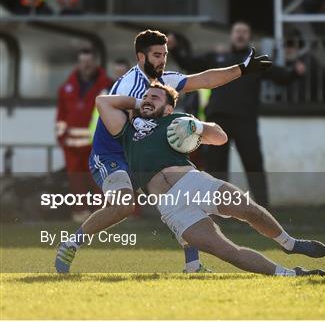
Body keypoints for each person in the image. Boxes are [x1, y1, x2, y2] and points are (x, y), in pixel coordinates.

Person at [55, 29, 271, 274]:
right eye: (157, 55)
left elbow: (205, 79)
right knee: (124, 205)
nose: (162, 60)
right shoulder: (130, 85)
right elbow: (129, 128)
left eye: (165, 54)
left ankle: (193, 265)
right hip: (112, 154)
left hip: (139, 150)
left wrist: (241, 69)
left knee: (179, 190)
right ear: (140, 57)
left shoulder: (164, 80)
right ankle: (72, 242)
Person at [95, 82, 325, 276]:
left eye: (154, 97)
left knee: (249, 210)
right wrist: (139, 103)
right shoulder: (127, 130)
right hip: (171, 207)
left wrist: (197, 125)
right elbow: (103, 102)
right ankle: (291, 274)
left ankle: (289, 243)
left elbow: (220, 137)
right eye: (145, 96)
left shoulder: (177, 122)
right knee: (228, 252)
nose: (147, 99)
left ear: (168, 108)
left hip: (195, 183)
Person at [168, 21, 304, 207]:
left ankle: (264, 208)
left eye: (244, 32)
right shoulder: (216, 57)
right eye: (237, 31)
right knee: (216, 166)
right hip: (217, 120)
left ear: (249, 36)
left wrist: (296, 73)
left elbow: (282, 77)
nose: (240, 35)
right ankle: (216, 208)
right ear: (231, 35)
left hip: (245, 120)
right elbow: (188, 63)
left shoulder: (255, 62)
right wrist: (174, 49)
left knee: (253, 164)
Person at [56, 48, 112, 223]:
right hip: (72, 146)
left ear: (95, 63)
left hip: (96, 144)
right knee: (76, 183)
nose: (85, 66)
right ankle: (80, 215)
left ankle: (102, 215)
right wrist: (61, 138)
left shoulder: (107, 85)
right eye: (82, 62)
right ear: (78, 64)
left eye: (88, 62)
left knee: (99, 181)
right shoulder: (67, 87)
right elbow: (62, 116)